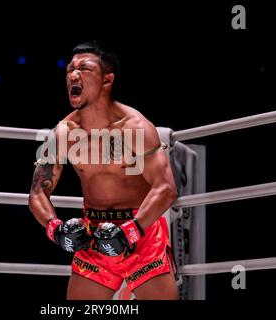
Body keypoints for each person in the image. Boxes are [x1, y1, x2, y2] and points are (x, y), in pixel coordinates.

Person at [28, 41, 178, 300]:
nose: (73, 75)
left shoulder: (135, 127)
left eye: (84, 69)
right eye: (69, 69)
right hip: (93, 236)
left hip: (141, 233)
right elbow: (37, 193)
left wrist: (131, 231)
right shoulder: (63, 133)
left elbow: (165, 189)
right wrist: (56, 228)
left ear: (107, 80)